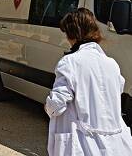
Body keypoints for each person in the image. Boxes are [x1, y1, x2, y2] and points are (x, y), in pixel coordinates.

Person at [44, 8, 132, 156]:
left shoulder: (70, 62)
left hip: (82, 145)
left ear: (73, 34)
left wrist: (48, 106)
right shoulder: (112, 64)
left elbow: (57, 104)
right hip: (115, 146)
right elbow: (116, 93)